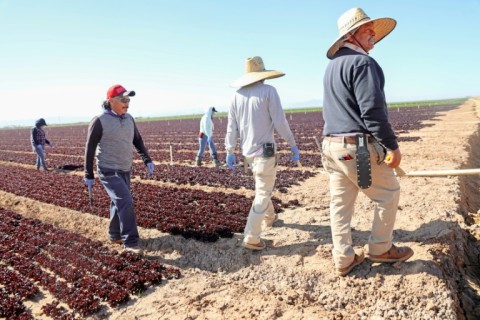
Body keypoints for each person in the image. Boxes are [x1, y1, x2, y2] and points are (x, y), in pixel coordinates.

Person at [322, 8, 413, 276]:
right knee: (388, 194)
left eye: (373, 29)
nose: (373, 33)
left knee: (340, 203)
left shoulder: (333, 66)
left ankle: (343, 257)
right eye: (367, 29)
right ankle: (380, 248)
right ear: (352, 34)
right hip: (356, 147)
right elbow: (372, 112)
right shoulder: (363, 64)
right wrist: (392, 146)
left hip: (331, 146)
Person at [225, 56, 300, 250]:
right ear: (262, 74)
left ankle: (270, 217)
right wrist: (292, 144)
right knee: (263, 192)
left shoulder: (236, 96)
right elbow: (280, 121)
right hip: (264, 153)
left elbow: (231, 127)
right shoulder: (268, 91)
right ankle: (251, 237)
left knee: (262, 186)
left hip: (247, 154)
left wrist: (230, 150)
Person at [84, 84, 155, 255]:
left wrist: (147, 159)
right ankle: (131, 242)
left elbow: (137, 140)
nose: (127, 102)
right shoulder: (100, 121)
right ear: (111, 101)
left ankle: (114, 234)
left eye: (128, 99)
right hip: (108, 170)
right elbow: (90, 147)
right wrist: (88, 173)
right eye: (123, 99)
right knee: (125, 201)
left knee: (119, 202)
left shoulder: (129, 118)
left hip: (125, 169)